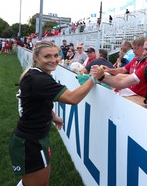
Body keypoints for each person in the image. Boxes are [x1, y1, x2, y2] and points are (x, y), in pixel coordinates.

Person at [9, 41, 104, 186]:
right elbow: (72, 98)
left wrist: (53, 116)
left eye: (56, 55)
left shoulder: (35, 74)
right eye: (47, 56)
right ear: (36, 57)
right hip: (31, 142)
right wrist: (94, 79)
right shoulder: (39, 79)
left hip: (32, 138)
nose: (53, 60)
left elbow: (37, 103)